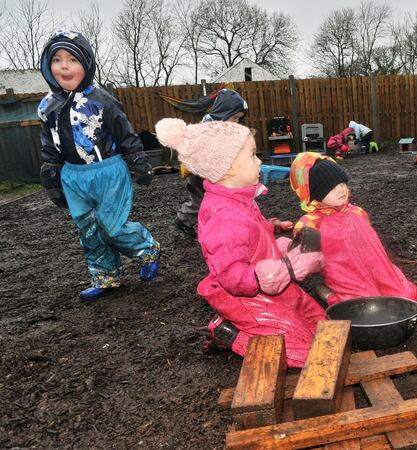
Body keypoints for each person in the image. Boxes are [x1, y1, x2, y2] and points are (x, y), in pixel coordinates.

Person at [155, 119, 326, 367]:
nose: (259, 161)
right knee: (305, 351)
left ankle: (257, 328)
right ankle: (231, 334)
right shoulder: (225, 218)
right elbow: (234, 278)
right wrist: (289, 267)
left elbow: (251, 239)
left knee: (320, 324)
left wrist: (277, 236)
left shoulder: (239, 200)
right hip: (246, 296)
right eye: (253, 155)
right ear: (228, 167)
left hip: (270, 286)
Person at [38, 31, 160, 300]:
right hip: (73, 176)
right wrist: (51, 175)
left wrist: (138, 161)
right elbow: (49, 143)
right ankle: (105, 276)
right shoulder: (47, 106)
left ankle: (146, 247)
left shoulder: (100, 100)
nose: (65, 66)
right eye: (57, 59)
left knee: (110, 226)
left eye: (72, 59)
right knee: (88, 229)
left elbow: (124, 132)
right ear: (48, 66)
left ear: (87, 63)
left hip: (108, 172)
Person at [289, 152, 417, 306]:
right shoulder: (309, 224)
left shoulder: (357, 212)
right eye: (330, 188)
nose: (340, 190)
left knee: (404, 296)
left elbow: (370, 244)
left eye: (342, 183)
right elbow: (306, 261)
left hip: (372, 266)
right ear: (313, 194)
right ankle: (327, 293)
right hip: (342, 275)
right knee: (362, 304)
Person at [172, 89, 248, 237]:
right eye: (234, 118)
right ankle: (182, 221)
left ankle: (219, 225)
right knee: (199, 202)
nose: (237, 122)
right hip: (196, 174)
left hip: (208, 173)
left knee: (216, 200)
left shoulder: (220, 125)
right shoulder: (208, 130)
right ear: (223, 112)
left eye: (239, 119)